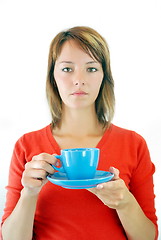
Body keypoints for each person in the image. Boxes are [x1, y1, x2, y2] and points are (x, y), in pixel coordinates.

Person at [1, 26, 158, 240]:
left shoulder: (133, 143)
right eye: (67, 69)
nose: (79, 80)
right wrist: (28, 193)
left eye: (91, 69)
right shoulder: (26, 145)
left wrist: (125, 202)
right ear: (53, 76)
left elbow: (149, 237)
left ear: (104, 76)